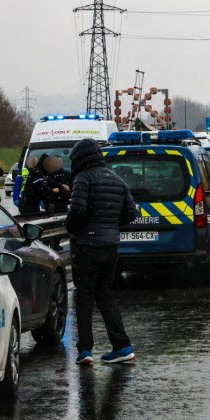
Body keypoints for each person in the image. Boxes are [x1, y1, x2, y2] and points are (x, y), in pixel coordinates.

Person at [66, 139, 138, 365]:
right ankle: (121, 346)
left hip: (87, 246)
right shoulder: (116, 179)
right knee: (105, 295)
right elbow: (131, 212)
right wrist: (111, 225)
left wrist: (73, 228)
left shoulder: (83, 179)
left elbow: (77, 211)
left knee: (84, 296)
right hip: (111, 246)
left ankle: (85, 350)